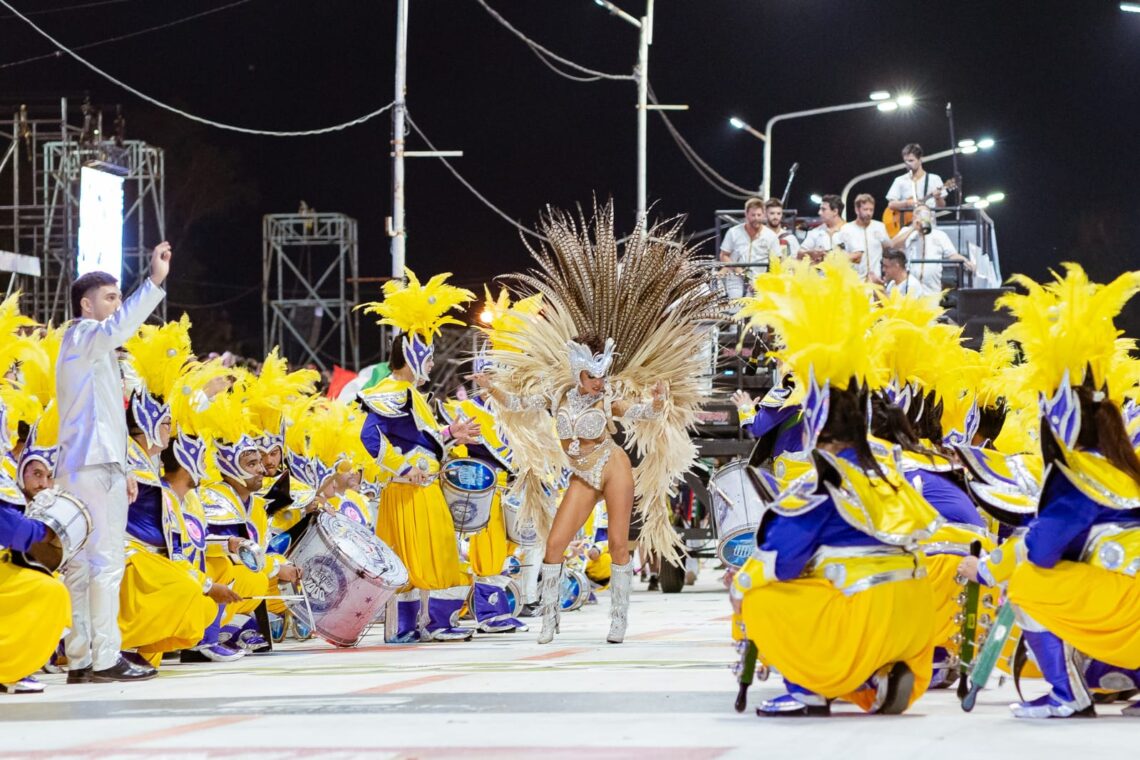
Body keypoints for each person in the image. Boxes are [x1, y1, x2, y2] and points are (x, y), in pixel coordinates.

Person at [478, 200, 723, 646]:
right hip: (581, 474)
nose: (599, 383)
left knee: (617, 545)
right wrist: (492, 388)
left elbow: (641, 414)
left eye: (602, 376)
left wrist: (657, 401)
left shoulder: (608, 397)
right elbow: (518, 401)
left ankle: (619, 619)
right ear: (578, 373)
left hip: (612, 467)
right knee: (555, 544)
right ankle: (549, 619)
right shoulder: (558, 395)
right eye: (593, 377)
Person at [731, 254, 938, 717]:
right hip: (916, 615)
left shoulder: (823, 479)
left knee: (759, 593)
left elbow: (780, 561)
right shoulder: (887, 468)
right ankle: (869, 679)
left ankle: (807, 686)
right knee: (830, 563)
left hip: (859, 600)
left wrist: (742, 581)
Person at [960, 264, 1140, 719]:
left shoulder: (1080, 477)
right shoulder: (1126, 466)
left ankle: (1065, 695)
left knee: (1027, 582)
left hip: (1130, 611)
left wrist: (986, 569)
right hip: (1131, 607)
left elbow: (1039, 551)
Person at [57, 241, 170, 684]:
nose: (117, 305)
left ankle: (81, 658)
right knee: (105, 562)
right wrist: (154, 282)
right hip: (94, 464)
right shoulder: (86, 334)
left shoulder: (87, 347)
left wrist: (125, 468)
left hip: (88, 465)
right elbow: (118, 327)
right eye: (110, 297)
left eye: (120, 297)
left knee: (82, 566)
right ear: (86, 304)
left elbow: (106, 416)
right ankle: (105, 657)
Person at [357, 269, 482, 643]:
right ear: (413, 354)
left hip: (416, 488)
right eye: (427, 357)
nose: (431, 364)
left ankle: (408, 626)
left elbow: (416, 440)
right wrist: (404, 468)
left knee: (415, 556)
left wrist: (451, 434)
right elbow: (369, 436)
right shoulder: (393, 390)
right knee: (435, 552)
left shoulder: (410, 395)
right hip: (411, 489)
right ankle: (435, 623)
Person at [888, 210, 975, 294]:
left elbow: (952, 255)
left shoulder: (940, 235)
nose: (922, 216)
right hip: (910, 287)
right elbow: (892, 245)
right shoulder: (907, 231)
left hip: (932, 288)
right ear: (914, 217)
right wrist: (913, 228)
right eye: (918, 213)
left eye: (925, 214)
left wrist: (966, 261)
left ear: (931, 217)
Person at [719, 197, 780, 298]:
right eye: (753, 215)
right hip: (735, 277)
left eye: (759, 215)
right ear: (746, 214)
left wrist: (766, 281)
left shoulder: (771, 236)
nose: (756, 218)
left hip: (759, 280)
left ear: (764, 215)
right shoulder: (733, 232)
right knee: (736, 302)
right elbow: (723, 255)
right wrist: (739, 271)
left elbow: (777, 261)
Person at [840, 194, 892, 281]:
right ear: (857, 210)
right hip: (854, 280)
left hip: (876, 279)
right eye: (865, 209)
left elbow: (888, 249)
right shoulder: (846, 229)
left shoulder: (880, 227)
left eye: (871, 210)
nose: (869, 213)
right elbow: (841, 253)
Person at [886, 143, 946, 212]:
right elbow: (891, 204)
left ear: (920, 160)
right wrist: (907, 203)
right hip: (906, 219)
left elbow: (941, 207)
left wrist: (938, 198)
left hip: (928, 218)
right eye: (905, 161)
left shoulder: (934, 179)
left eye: (911, 160)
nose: (908, 164)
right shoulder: (899, 180)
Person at [799, 195, 845, 263]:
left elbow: (858, 256)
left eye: (823, 209)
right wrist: (810, 253)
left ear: (835, 211)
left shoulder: (851, 231)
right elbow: (799, 254)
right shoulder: (815, 232)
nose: (819, 212)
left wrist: (834, 257)